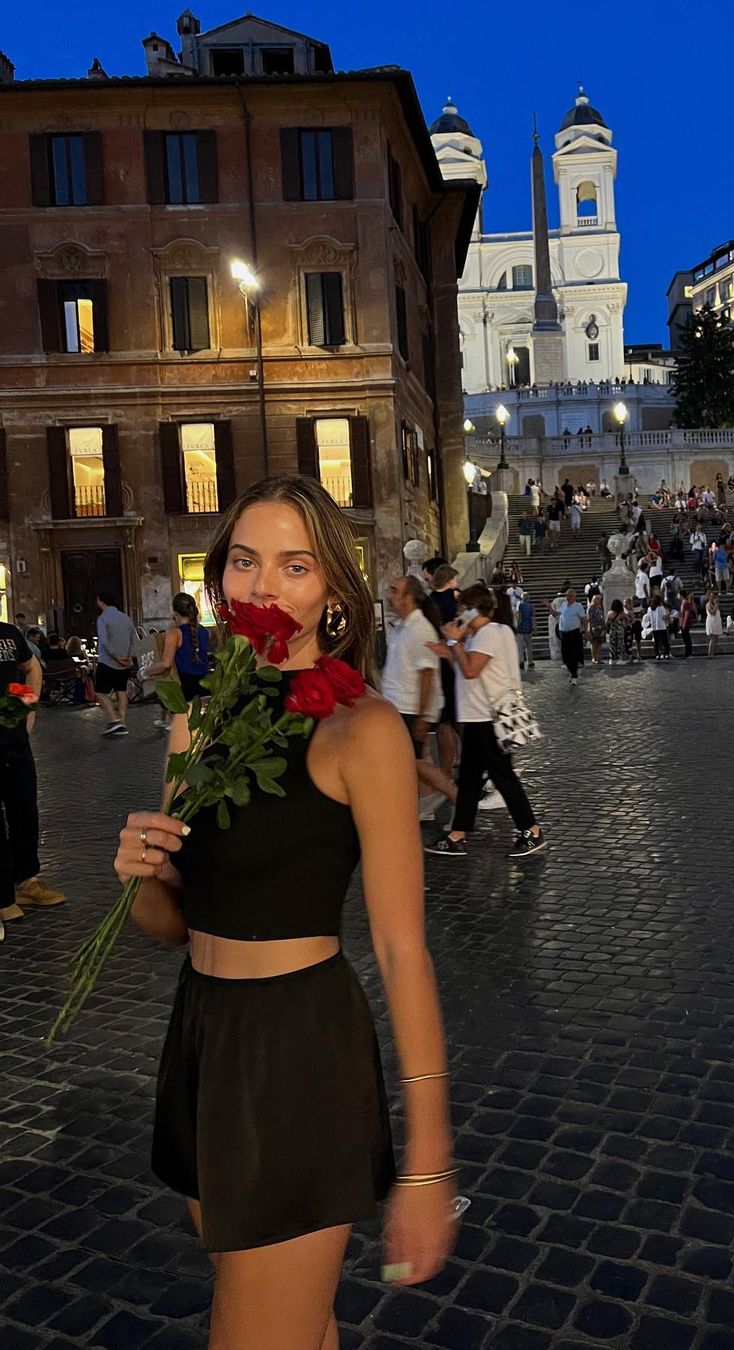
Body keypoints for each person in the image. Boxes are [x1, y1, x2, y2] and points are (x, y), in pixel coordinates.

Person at [116, 475, 455, 1345]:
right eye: (245, 561)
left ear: (334, 592)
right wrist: (142, 877)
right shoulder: (200, 716)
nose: (264, 586)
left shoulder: (361, 729)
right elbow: (172, 926)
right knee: (295, 1323)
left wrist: (428, 1160)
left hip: (297, 1054)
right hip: (202, 1038)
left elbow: (402, 949)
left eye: (294, 566)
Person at [425, 584, 545, 858]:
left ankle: (532, 830)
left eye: (462, 611)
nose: (458, 616)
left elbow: (470, 670)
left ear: (472, 610)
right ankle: (458, 834)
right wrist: (450, 648)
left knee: (502, 776)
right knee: (469, 778)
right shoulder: (488, 633)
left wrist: (455, 643)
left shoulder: (489, 633)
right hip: (477, 716)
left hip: (487, 718)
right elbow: (465, 667)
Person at [0, 620, 65, 940]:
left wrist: (29, 706)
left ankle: (26, 879)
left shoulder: (8, 633)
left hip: (14, 737)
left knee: (25, 810)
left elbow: (31, 668)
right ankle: (3, 897)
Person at [384, 576, 458, 811]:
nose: (389, 595)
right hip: (399, 705)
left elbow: (427, 674)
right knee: (412, 761)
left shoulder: (420, 629)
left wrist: (423, 715)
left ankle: (455, 796)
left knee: (413, 761)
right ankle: (419, 805)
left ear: (408, 598)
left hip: (409, 707)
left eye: (394, 591)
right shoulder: (402, 627)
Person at [146, 594, 211, 732]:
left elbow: (166, 663)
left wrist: (146, 671)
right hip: (205, 683)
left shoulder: (174, 633)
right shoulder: (204, 631)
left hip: (184, 685)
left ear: (175, 613)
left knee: (182, 731)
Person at [429, 564, 461, 774]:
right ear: (450, 580)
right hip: (452, 657)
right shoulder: (455, 598)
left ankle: (447, 769)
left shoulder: (429, 601)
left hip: (436, 659)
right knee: (458, 716)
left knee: (444, 720)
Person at [95, 590, 138, 736]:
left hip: (107, 662)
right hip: (125, 663)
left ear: (101, 601)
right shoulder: (126, 618)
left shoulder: (103, 619)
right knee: (121, 691)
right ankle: (123, 722)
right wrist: (129, 657)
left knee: (100, 693)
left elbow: (104, 641)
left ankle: (114, 720)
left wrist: (116, 656)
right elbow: (134, 639)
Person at [556, 587, 587, 685]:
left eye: (569, 596)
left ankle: (574, 676)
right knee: (565, 655)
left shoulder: (578, 606)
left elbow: (583, 618)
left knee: (573, 655)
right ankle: (572, 672)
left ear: (574, 597)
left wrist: (585, 629)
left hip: (574, 633)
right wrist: (548, 606)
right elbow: (556, 613)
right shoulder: (564, 605)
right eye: (566, 595)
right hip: (564, 633)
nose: (567, 597)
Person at [516, 591, 535, 670]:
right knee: (529, 646)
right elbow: (533, 617)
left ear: (522, 597)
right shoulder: (531, 606)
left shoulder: (519, 605)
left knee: (520, 647)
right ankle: (530, 662)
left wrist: (516, 625)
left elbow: (518, 615)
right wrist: (534, 627)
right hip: (528, 628)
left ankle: (521, 662)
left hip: (520, 629)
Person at [586, 592, 606, 666]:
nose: (599, 600)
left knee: (599, 643)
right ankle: (594, 658)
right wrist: (590, 628)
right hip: (594, 627)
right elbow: (589, 618)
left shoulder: (600, 607)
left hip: (600, 627)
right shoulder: (591, 607)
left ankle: (599, 657)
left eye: (599, 599)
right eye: (597, 599)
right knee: (594, 643)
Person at [676, 590, 696, 658]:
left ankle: (688, 653)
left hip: (685, 623)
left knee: (686, 638)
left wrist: (684, 623)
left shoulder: (685, 602)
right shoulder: (682, 602)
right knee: (685, 638)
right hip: (682, 622)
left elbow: (687, 613)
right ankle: (687, 653)